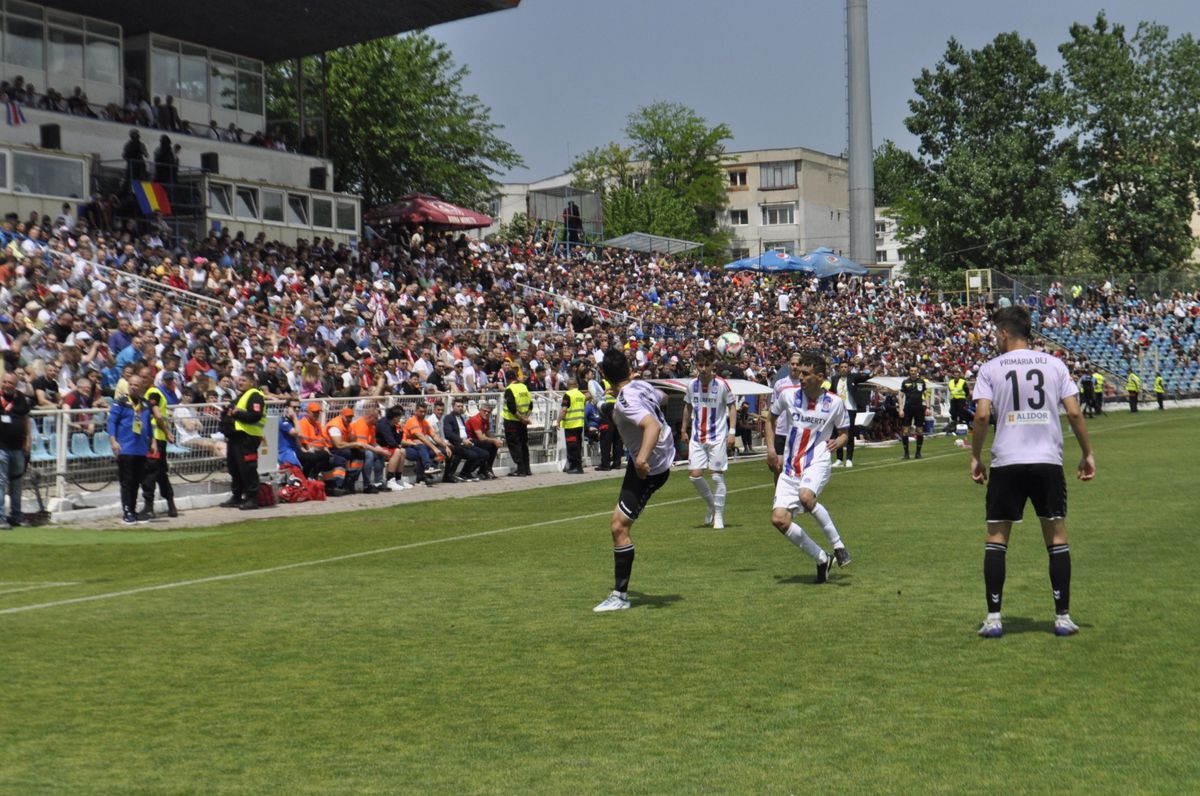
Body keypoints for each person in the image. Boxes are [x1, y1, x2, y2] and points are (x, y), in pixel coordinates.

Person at [970, 305, 1095, 638]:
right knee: (1056, 536)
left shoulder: (990, 368)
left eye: (995, 333)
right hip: (1047, 461)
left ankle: (994, 618)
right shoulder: (1054, 364)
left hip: (1007, 461)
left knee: (997, 538)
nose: (994, 338)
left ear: (1004, 333)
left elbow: (981, 416)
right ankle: (1062, 617)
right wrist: (1087, 453)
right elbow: (1074, 413)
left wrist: (975, 457)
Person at [593, 351, 675, 612]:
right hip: (659, 456)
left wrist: (641, 460)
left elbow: (652, 426)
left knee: (619, 527)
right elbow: (664, 398)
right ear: (628, 368)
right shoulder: (641, 386)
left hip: (650, 468)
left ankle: (620, 596)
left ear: (605, 375)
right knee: (616, 412)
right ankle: (601, 405)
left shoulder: (627, 398)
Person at [768, 352, 852, 581]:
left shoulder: (834, 403)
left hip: (817, 460)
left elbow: (844, 433)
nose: (801, 377)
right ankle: (822, 558)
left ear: (820, 377)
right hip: (790, 466)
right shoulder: (788, 395)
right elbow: (771, 418)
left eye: (806, 374)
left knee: (805, 496)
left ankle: (838, 546)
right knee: (779, 520)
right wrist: (771, 449)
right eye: (801, 373)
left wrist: (838, 442)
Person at [680, 350, 736, 529]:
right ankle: (712, 505)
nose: (703, 369)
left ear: (713, 366)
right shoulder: (691, 385)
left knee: (717, 476)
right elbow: (688, 407)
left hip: (718, 436)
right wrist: (683, 429)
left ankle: (719, 516)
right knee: (694, 476)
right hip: (697, 436)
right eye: (700, 365)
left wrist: (732, 432)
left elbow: (732, 407)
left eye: (706, 365)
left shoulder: (722, 384)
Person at [107, 373, 153, 525]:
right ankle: (127, 511)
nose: (133, 387)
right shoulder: (120, 402)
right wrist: (113, 440)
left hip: (141, 448)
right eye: (131, 384)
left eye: (136, 385)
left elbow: (149, 425)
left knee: (137, 481)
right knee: (127, 481)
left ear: (142, 387)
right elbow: (112, 422)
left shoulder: (145, 404)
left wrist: (152, 441)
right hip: (125, 448)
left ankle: (133, 510)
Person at [220, 373, 265, 510]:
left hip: (248, 437)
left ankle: (252, 498)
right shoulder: (240, 397)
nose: (240, 382)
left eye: (244, 380)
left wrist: (236, 413)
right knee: (234, 468)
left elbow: (255, 415)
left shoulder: (255, 395)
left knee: (248, 468)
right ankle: (237, 496)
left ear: (252, 382)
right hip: (235, 437)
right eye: (239, 380)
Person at [140, 374, 178, 519]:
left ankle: (149, 507)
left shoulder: (152, 393)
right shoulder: (156, 392)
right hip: (159, 439)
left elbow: (157, 415)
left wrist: (167, 432)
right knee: (161, 473)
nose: (142, 380)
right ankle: (171, 505)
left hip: (154, 440)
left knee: (150, 473)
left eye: (145, 377)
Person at [0, 372, 33, 530]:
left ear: (15, 385)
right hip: (1, 448)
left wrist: (28, 439)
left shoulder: (20, 398)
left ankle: (16, 516)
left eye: (11, 383)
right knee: (0, 483)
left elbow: (26, 419)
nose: (7, 385)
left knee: (17, 483)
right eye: (5, 382)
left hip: (18, 447)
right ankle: (0, 518)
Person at [765, 351, 803, 484]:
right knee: (777, 467)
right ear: (788, 365)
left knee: (798, 466)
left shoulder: (805, 384)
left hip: (798, 431)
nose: (795, 366)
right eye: (792, 364)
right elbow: (773, 408)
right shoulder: (780, 384)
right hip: (781, 431)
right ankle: (778, 494)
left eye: (798, 364)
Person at [830, 358, 871, 467]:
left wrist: (871, 374)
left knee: (850, 433)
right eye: (842, 367)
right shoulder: (834, 379)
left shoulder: (853, 377)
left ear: (849, 369)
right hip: (837, 410)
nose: (843, 369)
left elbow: (864, 377)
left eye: (845, 367)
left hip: (850, 409)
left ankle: (849, 459)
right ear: (839, 369)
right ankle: (839, 459)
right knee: (837, 434)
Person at [442, 397, 488, 482]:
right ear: (453, 407)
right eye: (458, 406)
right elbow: (449, 434)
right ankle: (458, 474)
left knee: (484, 454)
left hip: (466, 442)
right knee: (473, 455)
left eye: (461, 406)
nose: (460, 408)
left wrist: (467, 439)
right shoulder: (449, 418)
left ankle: (466, 473)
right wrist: (462, 440)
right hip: (456, 444)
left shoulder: (461, 418)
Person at [403, 402, 447, 487]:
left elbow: (434, 436)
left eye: (425, 412)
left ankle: (427, 471)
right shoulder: (412, 421)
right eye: (421, 411)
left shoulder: (425, 422)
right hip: (407, 447)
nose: (423, 414)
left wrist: (446, 446)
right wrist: (434, 448)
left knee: (442, 450)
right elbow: (421, 437)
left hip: (420, 448)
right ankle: (426, 469)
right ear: (416, 411)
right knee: (422, 449)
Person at [502, 368, 533, 477]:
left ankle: (520, 469)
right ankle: (527, 469)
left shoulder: (509, 389)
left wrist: (521, 418)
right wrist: (525, 418)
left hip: (512, 421)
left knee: (515, 445)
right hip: (523, 421)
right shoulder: (524, 387)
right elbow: (531, 404)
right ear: (515, 377)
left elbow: (512, 407)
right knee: (524, 445)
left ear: (507, 379)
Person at [898, 365, 928, 459]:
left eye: (915, 371)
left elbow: (926, 394)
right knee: (905, 431)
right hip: (908, 408)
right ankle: (906, 454)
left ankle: (918, 453)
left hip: (919, 408)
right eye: (911, 371)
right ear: (909, 371)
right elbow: (901, 396)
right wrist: (900, 409)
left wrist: (928, 407)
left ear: (917, 371)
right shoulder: (905, 382)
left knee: (919, 431)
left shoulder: (921, 382)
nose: (913, 372)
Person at [465, 402, 501, 480]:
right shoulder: (476, 419)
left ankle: (487, 469)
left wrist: (496, 441)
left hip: (476, 440)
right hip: (469, 440)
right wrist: (494, 440)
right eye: (484, 411)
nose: (486, 413)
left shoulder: (486, 420)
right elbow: (481, 438)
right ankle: (483, 470)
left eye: (488, 412)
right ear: (480, 410)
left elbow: (488, 433)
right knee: (489, 446)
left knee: (493, 445)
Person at [559, 378, 587, 474]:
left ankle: (576, 467)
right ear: (576, 385)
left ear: (568, 385)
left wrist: (558, 421)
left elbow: (564, 410)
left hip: (570, 425)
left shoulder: (568, 395)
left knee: (572, 447)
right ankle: (576, 466)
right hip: (579, 424)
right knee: (577, 446)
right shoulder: (581, 395)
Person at [944, 369, 970, 433]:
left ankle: (961, 424)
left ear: (959, 375)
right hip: (953, 399)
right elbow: (950, 390)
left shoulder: (963, 382)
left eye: (957, 375)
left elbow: (967, 391)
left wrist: (964, 397)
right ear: (953, 375)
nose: (956, 376)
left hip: (961, 399)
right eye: (955, 375)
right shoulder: (950, 382)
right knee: (953, 412)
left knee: (961, 412)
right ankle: (954, 424)